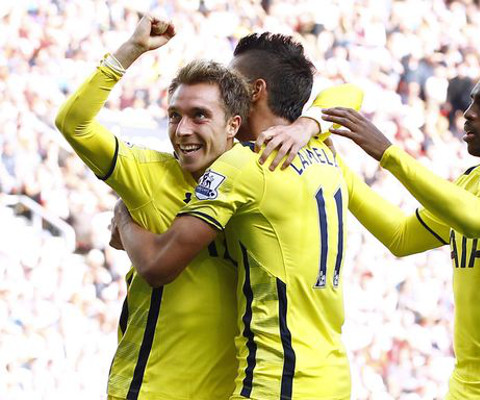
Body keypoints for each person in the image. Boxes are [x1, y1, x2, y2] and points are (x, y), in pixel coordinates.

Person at [55, 14, 360, 400]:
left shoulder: (257, 171)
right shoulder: (148, 173)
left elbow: (349, 92)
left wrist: (310, 122)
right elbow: (73, 123)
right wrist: (129, 51)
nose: (182, 130)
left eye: (200, 115)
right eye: (174, 116)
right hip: (150, 389)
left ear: (235, 120)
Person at [322, 66, 480, 399]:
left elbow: (476, 218)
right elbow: (401, 237)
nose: (468, 114)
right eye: (472, 103)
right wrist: (336, 168)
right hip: (466, 385)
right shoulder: (472, 181)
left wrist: (390, 154)